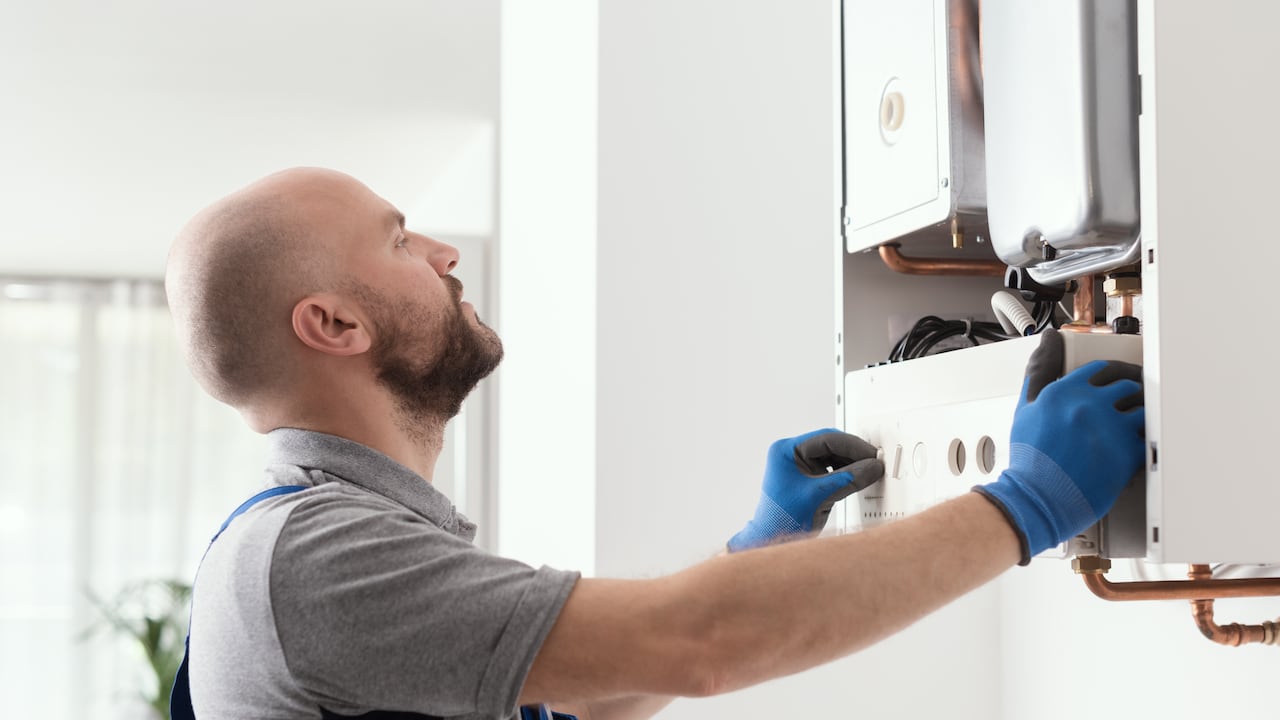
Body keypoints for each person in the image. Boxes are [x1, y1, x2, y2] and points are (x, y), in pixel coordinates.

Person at [164, 167, 1146, 720]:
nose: (443, 254)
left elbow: (578, 706)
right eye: (397, 241)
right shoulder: (307, 560)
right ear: (333, 325)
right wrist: (1021, 506)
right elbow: (699, 643)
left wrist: (755, 551)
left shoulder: (312, 543)